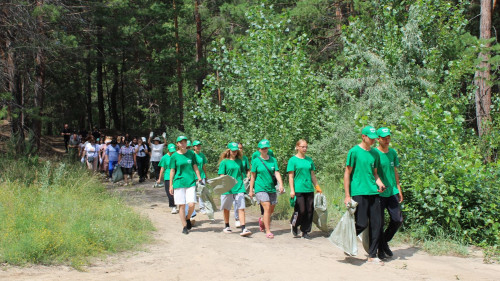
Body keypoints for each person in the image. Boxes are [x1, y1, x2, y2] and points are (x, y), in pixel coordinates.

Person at [343, 126, 386, 264]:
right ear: (363, 136)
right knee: (361, 223)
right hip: (359, 192)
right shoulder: (354, 152)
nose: (373, 140)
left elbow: (374, 174)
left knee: (377, 224)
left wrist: (380, 183)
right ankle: (346, 240)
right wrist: (347, 195)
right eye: (370, 138)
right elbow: (347, 173)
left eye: (374, 138)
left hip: (373, 193)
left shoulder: (375, 154)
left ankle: (372, 255)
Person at [374, 127, 403, 259]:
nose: (387, 140)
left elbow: (395, 171)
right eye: (384, 138)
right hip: (379, 193)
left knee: (397, 220)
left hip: (392, 191)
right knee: (379, 223)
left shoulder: (392, 153)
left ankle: (384, 242)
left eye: (388, 138)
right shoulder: (374, 153)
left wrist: (399, 188)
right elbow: (372, 173)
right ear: (378, 139)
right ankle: (380, 249)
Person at [249, 139, 284, 239]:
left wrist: (281, 184)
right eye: (263, 148)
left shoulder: (273, 160)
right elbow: (253, 176)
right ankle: (268, 231)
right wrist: (251, 190)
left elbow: (276, 173)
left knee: (270, 210)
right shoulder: (256, 161)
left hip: (271, 188)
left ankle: (262, 220)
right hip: (260, 187)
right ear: (259, 149)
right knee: (267, 207)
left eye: (266, 148)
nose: (265, 150)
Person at [287, 139, 322, 239]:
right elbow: (291, 176)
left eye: (306, 146)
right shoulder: (292, 160)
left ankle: (305, 231)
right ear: (297, 147)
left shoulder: (309, 160)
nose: (305, 148)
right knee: (301, 210)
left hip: (309, 189)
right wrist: (292, 190)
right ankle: (294, 224)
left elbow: (312, 175)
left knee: (309, 211)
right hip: (298, 189)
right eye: (303, 147)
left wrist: (317, 186)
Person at [169, 136, 202, 234]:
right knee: (182, 205)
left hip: (190, 181)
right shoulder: (174, 156)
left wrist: (199, 176)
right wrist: (171, 184)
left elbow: (195, 165)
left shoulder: (191, 153)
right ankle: (184, 226)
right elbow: (172, 170)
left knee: (191, 204)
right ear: (177, 144)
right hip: (179, 182)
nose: (183, 144)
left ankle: (188, 218)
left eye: (185, 142)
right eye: (181, 142)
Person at [218, 142, 252, 236]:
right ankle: (227, 226)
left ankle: (244, 228)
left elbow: (242, 172)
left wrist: (246, 181)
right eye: (233, 150)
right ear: (229, 150)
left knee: (241, 207)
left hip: (239, 186)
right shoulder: (224, 162)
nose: (235, 152)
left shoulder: (239, 161)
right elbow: (221, 175)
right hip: (227, 188)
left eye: (236, 150)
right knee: (226, 208)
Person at [157, 143, 178, 214]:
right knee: (169, 192)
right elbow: (162, 169)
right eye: (171, 151)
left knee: (177, 192)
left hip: (176, 176)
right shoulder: (164, 157)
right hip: (167, 176)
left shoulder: (176, 156)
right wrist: (159, 178)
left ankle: (179, 205)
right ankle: (173, 206)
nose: (172, 152)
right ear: (168, 150)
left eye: (173, 151)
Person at [234, 142, 250, 227]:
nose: (239, 150)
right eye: (238, 148)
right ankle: (237, 218)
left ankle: (241, 217)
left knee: (241, 200)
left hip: (243, 181)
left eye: (241, 148)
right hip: (234, 181)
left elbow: (248, 169)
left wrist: (248, 177)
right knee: (236, 201)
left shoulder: (245, 158)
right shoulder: (231, 159)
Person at [192, 140, 208, 213]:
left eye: (199, 145)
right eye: (196, 146)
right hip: (193, 176)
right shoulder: (192, 155)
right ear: (193, 147)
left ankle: (202, 208)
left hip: (202, 175)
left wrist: (205, 175)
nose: (198, 147)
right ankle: (192, 208)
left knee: (202, 192)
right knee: (193, 193)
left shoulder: (202, 155)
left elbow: (204, 165)